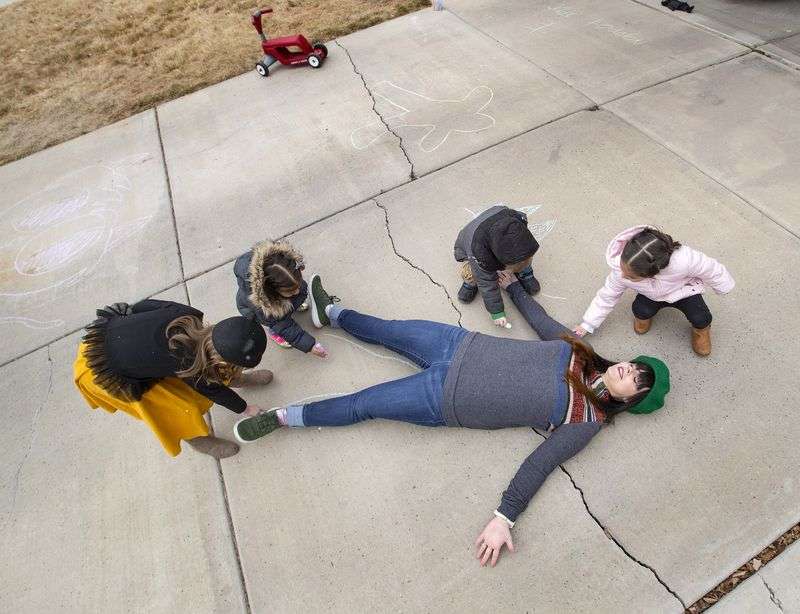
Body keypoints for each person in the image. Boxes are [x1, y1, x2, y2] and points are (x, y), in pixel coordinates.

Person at [233, 273, 670, 567]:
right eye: (635, 365)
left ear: (632, 401)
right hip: (456, 345)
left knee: (362, 404)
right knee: (387, 329)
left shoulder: (587, 420)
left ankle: (282, 418)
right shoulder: (580, 351)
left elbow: (542, 462)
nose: (629, 371)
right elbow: (541, 320)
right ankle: (331, 313)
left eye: (637, 381)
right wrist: (513, 286)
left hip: (444, 399)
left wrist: (504, 517)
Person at [74, 299, 273, 459]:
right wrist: (245, 409)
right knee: (174, 409)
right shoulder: (187, 362)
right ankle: (199, 441)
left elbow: (144, 305)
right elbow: (215, 391)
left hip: (117, 337)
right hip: (101, 369)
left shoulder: (188, 314)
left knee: (207, 371)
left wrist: (136, 329)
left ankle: (238, 380)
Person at [573, 226, 734, 356]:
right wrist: (587, 324)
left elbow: (711, 269)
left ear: (652, 273)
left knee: (701, 317)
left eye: (630, 276)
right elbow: (606, 297)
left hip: (684, 291)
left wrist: (723, 286)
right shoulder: (620, 270)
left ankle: (701, 331)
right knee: (640, 310)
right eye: (621, 269)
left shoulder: (684, 260)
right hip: (651, 295)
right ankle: (644, 317)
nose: (622, 276)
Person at [234, 239, 330, 358]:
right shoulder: (267, 309)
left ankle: (291, 305)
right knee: (276, 324)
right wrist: (310, 346)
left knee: (294, 298)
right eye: (291, 291)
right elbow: (287, 328)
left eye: (298, 284)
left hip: (277, 300)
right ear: (271, 291)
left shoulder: (282, 271)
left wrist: (294, 289)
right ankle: (274, 333)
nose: (297, 291)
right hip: (258, 313)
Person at [454, 204, 541, 329]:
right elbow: (486, 284)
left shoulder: (516, 221)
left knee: (523, 253)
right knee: (475, 272)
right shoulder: (479, 254)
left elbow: (522, 248)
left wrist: (524, 259)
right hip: (470, 247)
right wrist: (497, 312)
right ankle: (470, 282)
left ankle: (525, 272)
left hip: (497, 221)